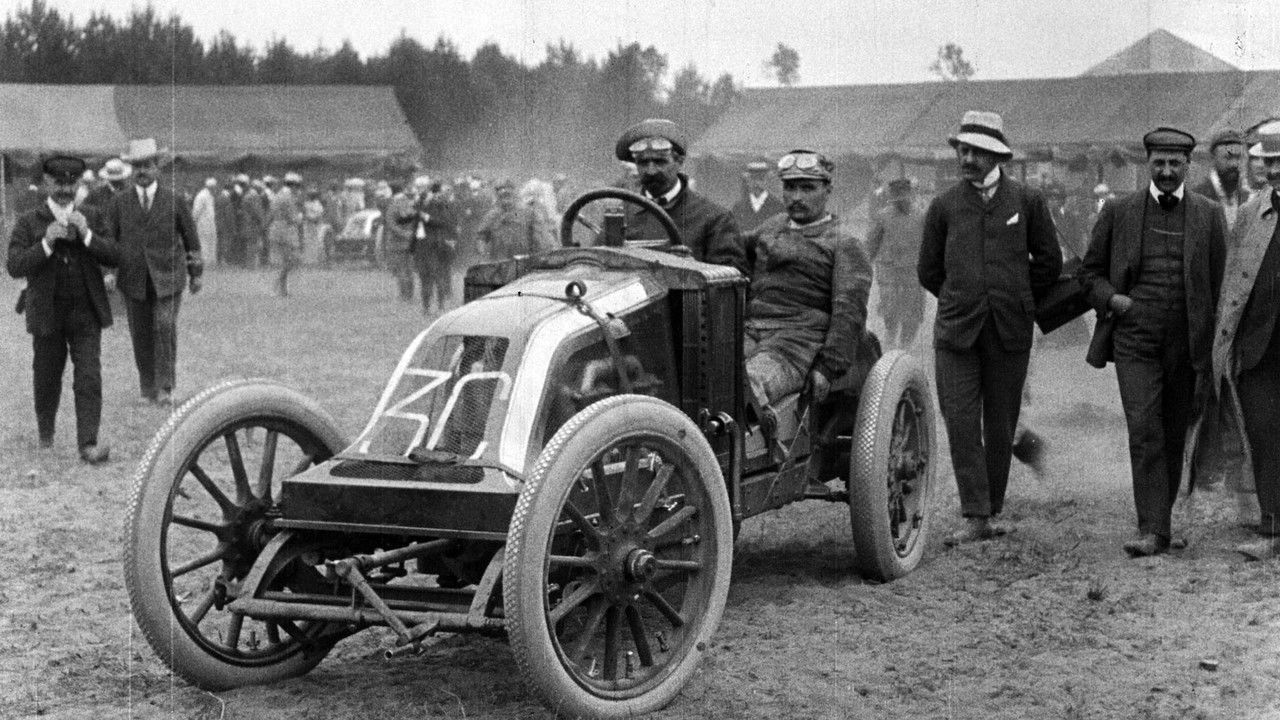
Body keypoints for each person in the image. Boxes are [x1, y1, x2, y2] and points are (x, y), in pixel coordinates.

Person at [917, 111, 1062, 545]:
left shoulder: (1027, 201)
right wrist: (962, 297)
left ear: (997, 156)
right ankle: (975, 514)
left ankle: (992, 509)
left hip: (1009, 331)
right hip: (956, 334)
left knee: (1001, 425)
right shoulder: (944, 206)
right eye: (962, 150)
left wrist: (1017, 297)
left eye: (976, 152)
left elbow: (1049, 262)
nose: (967, 159)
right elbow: (928, 270)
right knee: (961, 422)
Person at [1081, 127, 1226, 557]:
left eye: (1174, 163)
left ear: (1188, 166)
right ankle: (1153, 529)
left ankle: (1160, 520)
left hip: (1187, 341)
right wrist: (1113, 298)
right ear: (1148, 163)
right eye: (1158, 162)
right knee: (1144, 429)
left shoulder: (1209, 214)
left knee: (1174, 431)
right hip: (1135, 339)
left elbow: (1220, 284)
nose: (1166, 171)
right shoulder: (1119, 211)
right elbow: (1089, 274)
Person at [743, 150, 872, 417]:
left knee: (746, 387)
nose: (797, 197)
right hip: (749, 333)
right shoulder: (772, 226)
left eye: (807, 188)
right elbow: (732, 250)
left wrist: (827, 368)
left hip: (795, 346)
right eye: (790, 188)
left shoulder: (844, 244)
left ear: (827, 190)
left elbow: (849, 313)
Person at [7, 155, 117, 462]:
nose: (66, 190)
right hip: (47, 312)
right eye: (59, 183)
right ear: (46, 182)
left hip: (85, 311)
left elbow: (115, 255)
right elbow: (14, 265)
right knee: (46, 375)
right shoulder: (30, 221)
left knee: (89, 376)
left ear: (79, 183)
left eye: (72, 184)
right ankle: (46, 433)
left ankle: (88, 444)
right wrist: (45, 243)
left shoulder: (92, 216)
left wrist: (88, 235)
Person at [1211, 133, 1280, 560]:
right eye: (1269, 163)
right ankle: (1272, 529)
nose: (1275, 170)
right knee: (1265, 436)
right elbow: (1233, 282)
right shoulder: (1252, 214)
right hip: (1259, 347)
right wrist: (1230, 341)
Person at [104, 138, 202, 407]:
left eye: (147, 165)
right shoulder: (119, 203)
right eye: (137, 166)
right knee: (141, 332)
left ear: (157, 167)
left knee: (164, 325)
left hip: (168, 277)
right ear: (131, 170)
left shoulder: (175, 200)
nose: (142, 171)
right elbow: (109, 240)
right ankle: (147, 387)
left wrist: (196, 273)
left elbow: (191, 238)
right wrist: (108, 271)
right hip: (133, 278)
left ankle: (165, 387)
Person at [612, 118, 746, 273]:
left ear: (679, 162)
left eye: (660, 162)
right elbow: (596, 265)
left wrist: (694, 268)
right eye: (643, 163)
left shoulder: (715, 218)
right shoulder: (622, 215)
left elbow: (736, 278)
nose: (651, 171)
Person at [865, 177, 925, 349]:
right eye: (897, 199)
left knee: (913, 307)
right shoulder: (883, 216)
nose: (901, 202)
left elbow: (933, 242)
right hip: (888, 268)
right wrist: (864, 264)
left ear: (910, 195)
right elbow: (871, 243)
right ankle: (890, 335)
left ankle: (906, 343)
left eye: (904, 198)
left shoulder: (921, 215)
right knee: (889, 305)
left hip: (913, 268)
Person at [412, 181, 458, 314]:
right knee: (426, 278)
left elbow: (444, 223)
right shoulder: (423, 206)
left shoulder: (443, 207)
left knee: (438, 277)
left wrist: (426, 217)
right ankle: (427, 307)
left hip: (437, 247)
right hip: (424, 247)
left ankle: (440, 306)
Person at [1192, 129, 1251, 230]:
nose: (1234, 164)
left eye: (1238, 157)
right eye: (1228, 157)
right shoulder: (1197, 198)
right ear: (1213, 158)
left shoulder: (1247, 198)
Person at [476, 179, 549, 260]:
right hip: (501, 262)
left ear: (514, 194)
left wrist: (540, 256)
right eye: (502, 196)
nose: (506, 199)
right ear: (498, 196)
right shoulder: (491, 216)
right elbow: (481, 237)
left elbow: (539, 239)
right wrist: (483, 255)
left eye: (508, 195)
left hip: (524, 261)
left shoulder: (528, 213)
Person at [268, 172, 304, 296]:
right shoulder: (288, 197)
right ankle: (276, 287)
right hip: (285, 231)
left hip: (276, 229)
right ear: (293, 185)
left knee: (285, 261)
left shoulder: (278, 195)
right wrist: (300, 217)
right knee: (292, 260)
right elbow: (292, 218)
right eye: (297, 186)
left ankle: (283, 290)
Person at [385, 179, 421, 301]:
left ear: (391, 191)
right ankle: (410, 294)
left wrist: (403, 234)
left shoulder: (393, 206)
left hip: (397, 243)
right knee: (409, 269)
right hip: (410, 242)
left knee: (400, 269)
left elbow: (391, 225)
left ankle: (404, 295)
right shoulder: (409, 204)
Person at [731, 159, 785, 233]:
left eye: (760, 179)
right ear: (747, 181)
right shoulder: (738, 208)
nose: (756, 183)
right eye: (753, 178)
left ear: (767, 180)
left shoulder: (778, 207)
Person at [192, 178, 220, 267]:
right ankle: (205, 263)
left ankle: (211, 262)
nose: (215, 189)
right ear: (210, 187)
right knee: (204, 243)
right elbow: (196, 211)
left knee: (212, 242)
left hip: (210, 224)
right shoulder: (201, 196)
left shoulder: (210, 196)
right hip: (203, 224)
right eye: (214, 187)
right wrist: (193, 222)